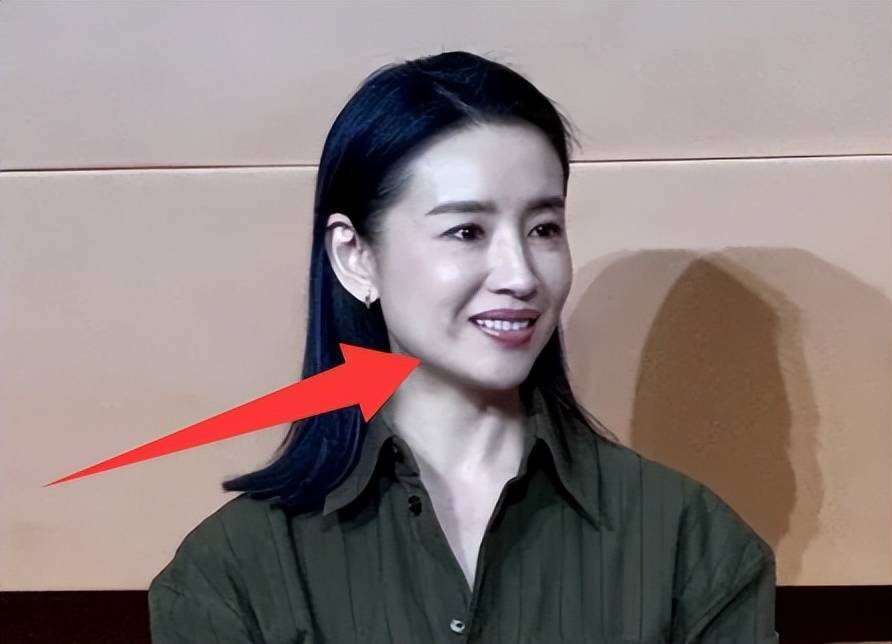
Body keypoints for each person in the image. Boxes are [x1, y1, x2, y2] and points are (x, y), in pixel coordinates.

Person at [148, 50, 778, 643]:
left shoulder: (688, 542)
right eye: (466, 231)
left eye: (543, 228)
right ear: (355, 256)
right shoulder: (233, 572)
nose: (521, 275)